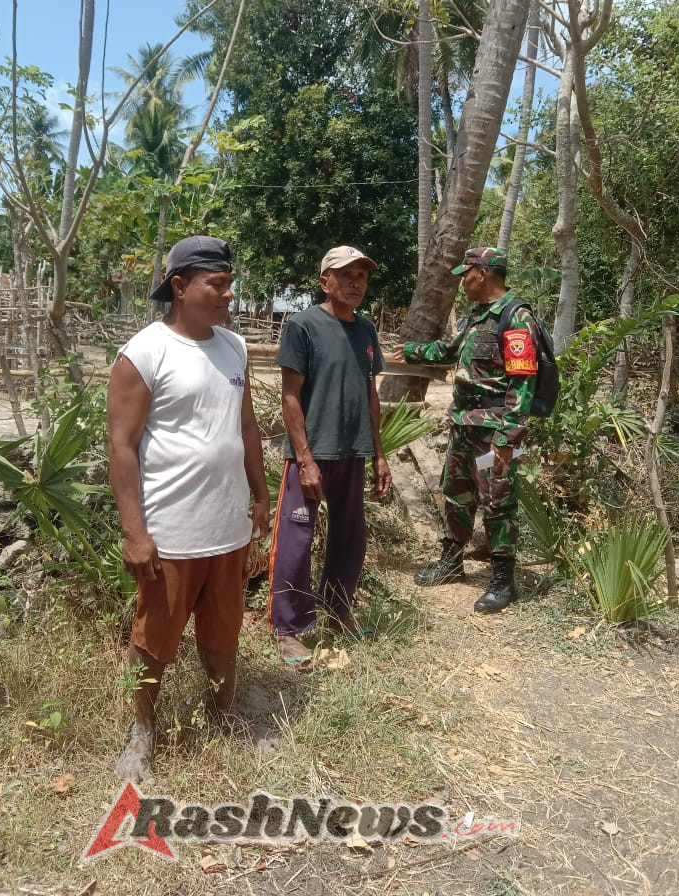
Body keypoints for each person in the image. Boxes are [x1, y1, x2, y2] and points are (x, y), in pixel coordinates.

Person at [107, 235, 270, 782]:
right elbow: (122, 447)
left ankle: (225, 713)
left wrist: (261, 493)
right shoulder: (144, 353)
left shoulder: (234, 347)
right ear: (180, 287)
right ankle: (141, 732)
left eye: (229, 284)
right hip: (171, 529)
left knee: (225, 629)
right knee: (154, 638)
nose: (228, 295)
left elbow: (244, 425)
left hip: (228, 523)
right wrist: (135, 532)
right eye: (216, 285)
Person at [392, 246, 538, 614]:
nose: (462, 280)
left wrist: (508, 438)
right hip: (464, 425)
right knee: (456, 493)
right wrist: (410, 351)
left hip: (495, 432)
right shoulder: (476, 317)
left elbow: (523, 383)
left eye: (466, 273)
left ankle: (503, 580)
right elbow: (449, 349)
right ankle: (452, 562)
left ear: (483, 273)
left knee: (498, 502)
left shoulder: (515, 317)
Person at [268, 245, 392, 670]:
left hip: (353, 451)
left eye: (362, 275)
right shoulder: (303, 326)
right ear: (325, 282)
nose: (356, 282)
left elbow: (370, 396)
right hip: (312, 453)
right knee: (295, 541)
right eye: (346, 274)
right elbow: (290, 396)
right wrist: (304, 458)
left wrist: (379, 453)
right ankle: (288, 629)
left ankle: (339, 612)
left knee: (350, 538)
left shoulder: (367, 332)